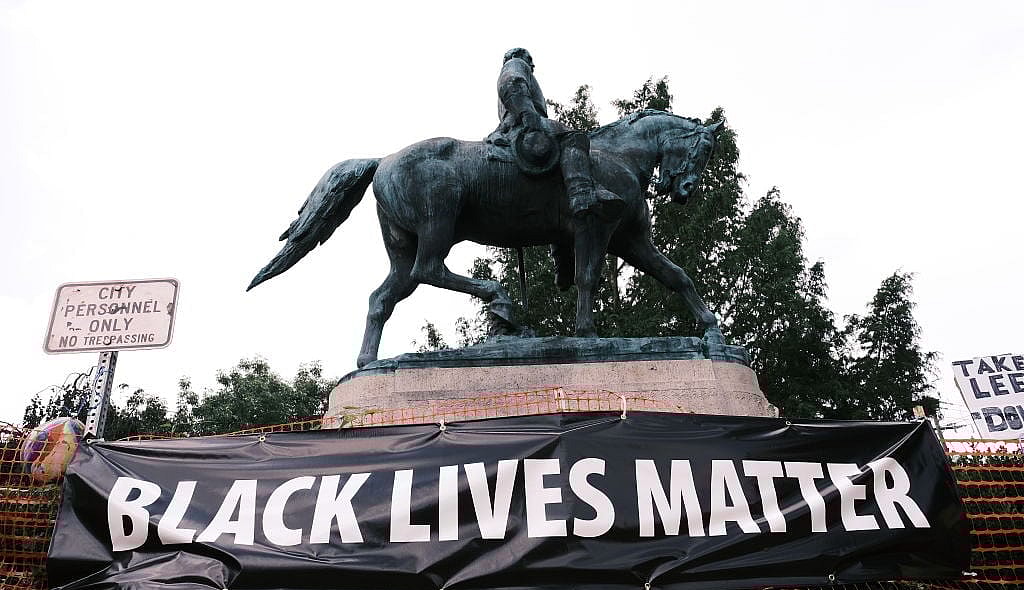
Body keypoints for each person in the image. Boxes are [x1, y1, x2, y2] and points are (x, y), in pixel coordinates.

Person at [486, 48, 624, 220]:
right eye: (528, 58)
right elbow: (511, 83)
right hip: (523, 122)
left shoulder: (517, 68)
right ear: (515, 57)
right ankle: (582, 195)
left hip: (516, 122)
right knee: (573, 137)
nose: (532, 64)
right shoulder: (515, 64)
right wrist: (527, 113)